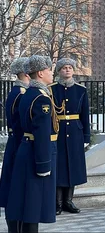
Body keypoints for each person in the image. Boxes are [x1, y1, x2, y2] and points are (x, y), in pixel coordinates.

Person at [5, 55, 58, 233]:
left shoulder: (28, 94)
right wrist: (44, 164)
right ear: (41, 73)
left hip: (25, 149)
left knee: (27, 203)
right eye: (50, 70)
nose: (52, 73)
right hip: (37, 153)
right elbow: (42, 133)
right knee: (33, 206)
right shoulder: (41, 98)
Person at [49, 58, 89, 215]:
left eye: (69, 68)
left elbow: (85, 114)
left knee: (72, 166)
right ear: (59, 71)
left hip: (74, 132)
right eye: (64, 68)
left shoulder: (81, 90)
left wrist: (86, 136)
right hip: (57, 131)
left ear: (73, 70)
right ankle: (57, 202)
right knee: (59, 166)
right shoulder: (51, 89)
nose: (67, 70)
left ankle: (68, 200)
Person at [0, 57, 30, 232]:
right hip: (19, 144)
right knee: (16, 189)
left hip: (15, 143)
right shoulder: (21, 94)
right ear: (26, 73)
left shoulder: (17, 92)